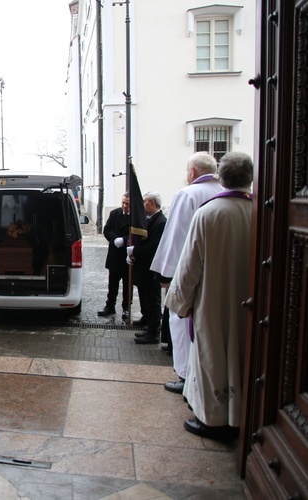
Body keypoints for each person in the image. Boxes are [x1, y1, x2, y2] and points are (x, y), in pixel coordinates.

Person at [165, 151, 253, 442]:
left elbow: (189, 265)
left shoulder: (209, 212)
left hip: (214, 301)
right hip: (251, 303)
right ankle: (245, 413)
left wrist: (179, 301)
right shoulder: (262, 212)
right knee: (244, 354)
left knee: (212, 356)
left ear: (222, 177)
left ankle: (213, 419)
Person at [151, 152, 222, 394]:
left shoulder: (188, 194)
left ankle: (185, 376)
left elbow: (177, 239)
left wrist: (167, 277)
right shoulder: (224, 192)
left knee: (181, 325)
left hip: (193, 274)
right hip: (220, 275)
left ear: (192, 172)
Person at [127, 191, 167, 344]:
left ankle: (153, 332)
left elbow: (153, 247)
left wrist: (135, 250)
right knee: (145, 297)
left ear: (151, 203)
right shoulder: (151, 219)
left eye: (144, 202)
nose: (142, 205)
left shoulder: (160, 222)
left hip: (152, 268)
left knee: (153, 300)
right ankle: (148, 323)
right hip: (145, 268)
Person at [98, 193, 130, 319]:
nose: (124, 205)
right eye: (123, 202)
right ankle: (110, 306)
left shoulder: (136, 216)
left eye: (127, 203)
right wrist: (115, 239)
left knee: (127, 284)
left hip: (128, 255)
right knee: (112, 283)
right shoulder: (114, 213)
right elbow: (107, 229)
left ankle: (126, 307)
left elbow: (138, 233)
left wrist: (124, 240)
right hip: (115, 254)